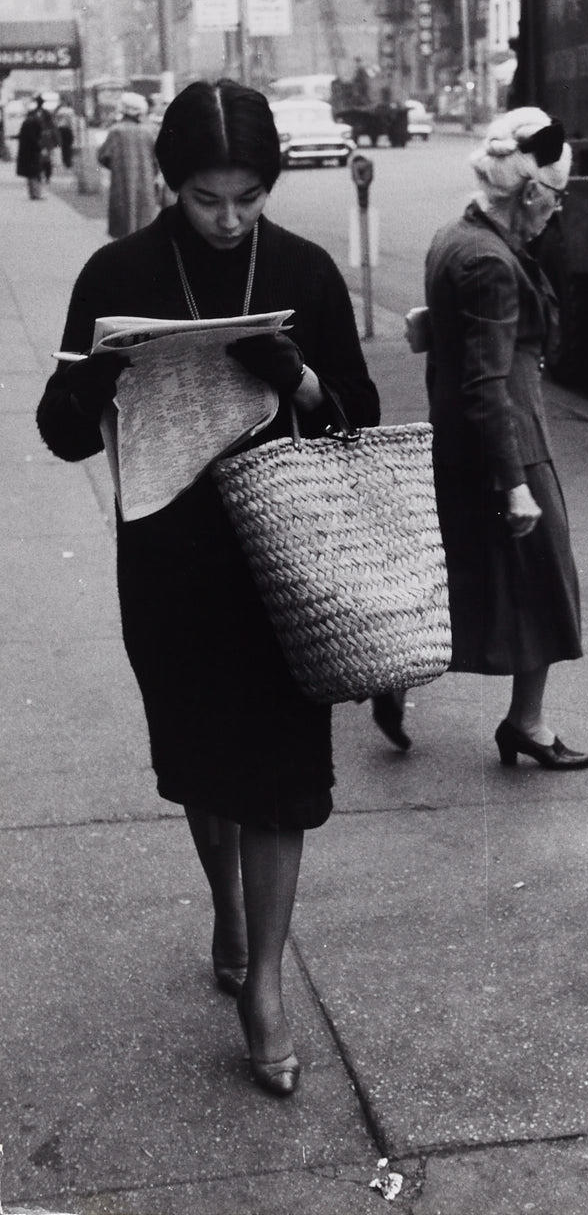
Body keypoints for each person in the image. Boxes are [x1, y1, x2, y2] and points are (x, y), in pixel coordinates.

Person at [36, 79, 381, 1097]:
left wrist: (304, 381)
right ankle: (226, 904)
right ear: (170, 186)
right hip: (172, 561)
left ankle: (264, 981)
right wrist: (90, 379)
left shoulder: (305, 272)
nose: (229, 220)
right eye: (205, 199)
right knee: (200, 758)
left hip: (284, 559)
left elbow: (356, 413)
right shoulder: (118, 270)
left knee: (278, 769)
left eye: (246, 198)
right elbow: (60, 432)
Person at [423, 106, 588, 771]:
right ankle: (528, 723)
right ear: (530, 193)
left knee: (456, 576)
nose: (558, 209)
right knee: (546, 582)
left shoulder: (456, 236)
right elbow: (490, 381)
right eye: (557, 196)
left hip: (465, 438)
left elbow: (460, 339)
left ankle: (392, 679)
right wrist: (517, 485)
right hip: (511, 441)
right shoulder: (493, 262)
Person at [97, 91, 159, 239]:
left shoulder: (115, 131)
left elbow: (103, 156)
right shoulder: (150, 131)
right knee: (144, 224)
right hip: (146, 186)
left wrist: (118, 166)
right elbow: (158, 159)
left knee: (123, 226)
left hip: (121, 184)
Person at [16, 95, 57, 199]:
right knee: (37, 168)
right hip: (38, 145)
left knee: (40, 166)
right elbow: (51, 128)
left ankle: (41, 184)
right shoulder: (39, 115)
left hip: (39, 145)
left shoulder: (39, 115)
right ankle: (36, 192)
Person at [54, 101, 75, 169]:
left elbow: (56, 121)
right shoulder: (70, 111)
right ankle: (68, 161)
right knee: (68, 145)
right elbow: (72, 122)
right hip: (68, 129)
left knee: (63, 146)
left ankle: (64, 160)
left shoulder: (60, 111)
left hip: (61, 129)